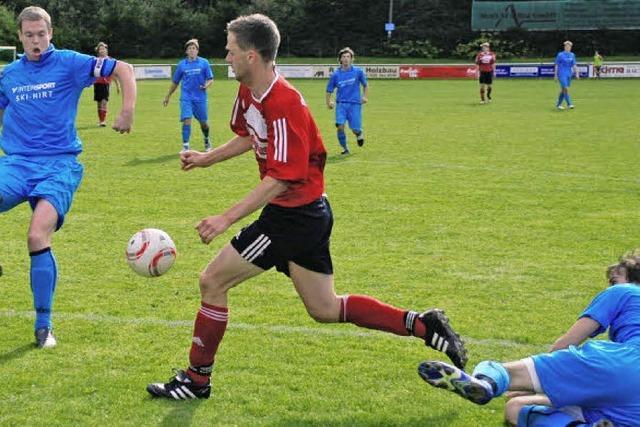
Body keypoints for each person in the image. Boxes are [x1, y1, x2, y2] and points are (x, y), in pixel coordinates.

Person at [147, 14, 467, 400]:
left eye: (230, 51)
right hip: (306, 213)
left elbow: (281, 177)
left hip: (293, 217)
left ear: (251, 55)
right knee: (324, 307)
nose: (225, 58)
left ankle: (196, 380)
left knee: (212, 281)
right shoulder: (250, 91)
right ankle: (423, 324)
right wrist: (206, 159)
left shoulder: (285, 103)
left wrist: (225, 218)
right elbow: (250, 135)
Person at [0, 6, 136, 348]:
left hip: (58, 165)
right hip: (16, 163)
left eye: (41, 34)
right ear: (19, 37)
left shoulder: (69, 63)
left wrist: (127, 109)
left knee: (36, 234)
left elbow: (123, 68)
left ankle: (43, 324)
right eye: (29, 35)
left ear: (51, 33)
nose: (36, 41)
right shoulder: (10, 75)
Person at [418, 251, 640, 426]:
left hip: (620, 364)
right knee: (515, 407)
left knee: (508, 379)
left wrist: (536, 382)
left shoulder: (624, 292)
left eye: (613, 280)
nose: (609, 286)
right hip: (630, 401)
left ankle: (486, 382)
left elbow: (566, 343)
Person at [163, 39, 213, 152]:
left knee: (204, 123)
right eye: (190, 48)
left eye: (194, 48)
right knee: (187, 119)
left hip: (200, 98)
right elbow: (175, 82)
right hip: (186, 97)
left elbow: (210, 79)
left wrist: (206, 85)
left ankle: (206, 139)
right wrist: (168, 96)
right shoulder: (182, 65)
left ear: (197, 51)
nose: (192, 50)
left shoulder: (204, 63)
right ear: (186, 51)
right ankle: (185, 146)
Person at [325, 47, 368, 155]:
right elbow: (329, 90)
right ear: (340, 59)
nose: (346, 59)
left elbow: (365, 85)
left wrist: (365, 96)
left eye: (348, 57)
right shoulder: (335, 75)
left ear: (352, 59)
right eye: (343, 57)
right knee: (340, 126)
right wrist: (329, 102)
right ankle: (345, 149)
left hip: (355, 105)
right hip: (341, 105)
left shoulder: (358, 72)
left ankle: (359, 134)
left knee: (355, 129)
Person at [93, 42, 120, 127]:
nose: (102, 50)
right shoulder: (95, 60)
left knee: (104, 101)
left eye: (103, 49)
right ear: (98, 51)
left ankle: (103, 121)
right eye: (100, 49)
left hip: (106, 84)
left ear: (106, 50)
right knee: (99, 103)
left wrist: (117, 85)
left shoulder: (110, 60)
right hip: (97, 84)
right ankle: (100, 120)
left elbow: (113, 73)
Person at [554, 41, 579, 110]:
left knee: (563, 90)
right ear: (565, 47)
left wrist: (577, 73)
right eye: (567, 46)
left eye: (569, 46)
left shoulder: (572, 55)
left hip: (569, 74)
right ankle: (569, 104)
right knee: (566, 89)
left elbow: (574, 65)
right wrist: (555, 75)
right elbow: (556, 65)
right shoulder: (560, 55)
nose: (568, 47)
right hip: (561, 74)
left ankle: (558, 104)